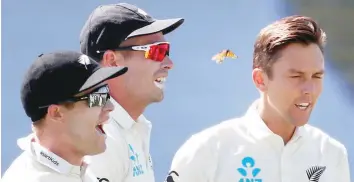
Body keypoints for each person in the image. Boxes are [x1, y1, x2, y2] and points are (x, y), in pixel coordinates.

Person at [165, 15, 351, 182]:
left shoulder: (331, 153)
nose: (309, 89)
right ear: (260, 80)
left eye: (317, 76)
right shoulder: (206, 151)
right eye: (296, 77)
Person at [79, 2, 184, 182]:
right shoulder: (94, 134)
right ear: (112, 61)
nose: (169, 63)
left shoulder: (127, 125)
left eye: (166, 50)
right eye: (157, 51)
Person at [1, 51, 128, 182]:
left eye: (106, 92)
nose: (110, 106)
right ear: (56, 113)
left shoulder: (75, 171)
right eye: (98, 97)